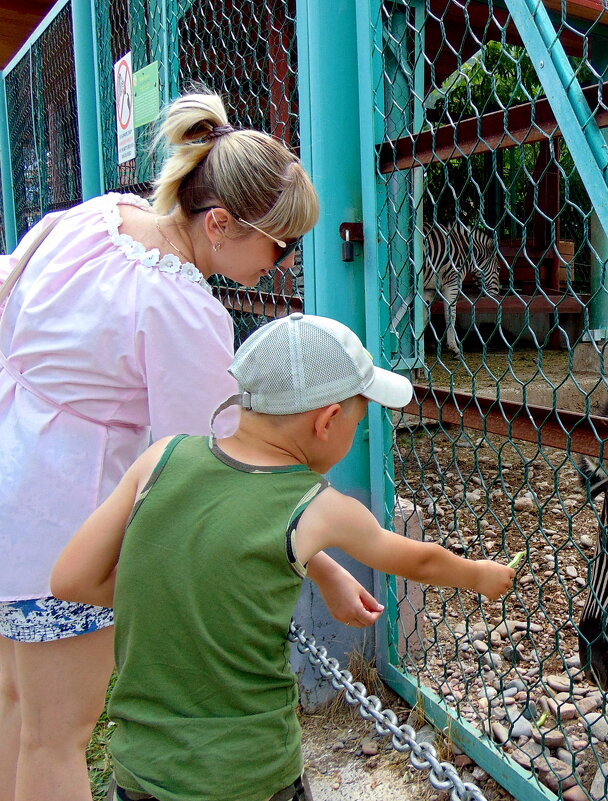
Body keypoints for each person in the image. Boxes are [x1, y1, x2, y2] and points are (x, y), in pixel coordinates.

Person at [0, 92, 377, 801]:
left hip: (10, 482)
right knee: (57, 738)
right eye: (279, 244)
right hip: (66, 512)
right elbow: (222, 472)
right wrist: (323, 563)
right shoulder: (182, 308)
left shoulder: (96, 218)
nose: (283, 263)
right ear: (220, 222)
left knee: (19, 711)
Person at [50, 313, 516, 801]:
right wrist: (478, 575)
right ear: (327, 421)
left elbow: (71, 579)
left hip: (142, 770)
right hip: (251, 773)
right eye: (357, 423)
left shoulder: (161, 458)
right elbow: (419, 561)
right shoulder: (321, 507)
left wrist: (186, 598)